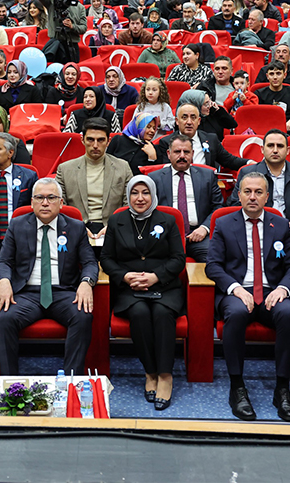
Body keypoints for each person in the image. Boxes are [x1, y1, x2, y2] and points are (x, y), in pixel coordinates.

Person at [206, 172, 290, 422]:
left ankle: (282, 388)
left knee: (289, 314)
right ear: (238, 194)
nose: (252, 197)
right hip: (237, 290)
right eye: (247, 191)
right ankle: (237, 386)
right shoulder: (225, 224)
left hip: (272, 291)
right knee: (236, 313)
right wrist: (235, 289)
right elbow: (213, 266)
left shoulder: (280, 225)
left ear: (267, 196)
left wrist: (283, 289)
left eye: (259, 192)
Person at [0, 177, 98, 374]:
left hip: (63, 292)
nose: (45, 203)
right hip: (27, 294)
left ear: (61, 202)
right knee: (5, 318)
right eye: (39, 198)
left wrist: (86, 282)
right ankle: (8, 382)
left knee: (82, 315)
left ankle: (71, 380)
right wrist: (5, 281)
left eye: (51, 197)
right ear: (31, 202)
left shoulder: (75, 227)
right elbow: (4, 261)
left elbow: (90, 263)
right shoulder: (17, 225)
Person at [100, 175, 185, 410]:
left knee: (161, 313)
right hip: (129, 286)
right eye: (135, 193)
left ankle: (165, 376)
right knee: (138, 313)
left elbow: (178, 258)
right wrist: (126, 277)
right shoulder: (117, 221)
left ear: (153, 194)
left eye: (145, 192)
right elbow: (106, 258)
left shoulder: (167, 220)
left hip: (164, 284)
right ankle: (150, 372)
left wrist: (155, 276)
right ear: (127, 195)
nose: (140, 198)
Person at [229, 129, 290, 257]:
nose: (275, 150)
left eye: (280, 146)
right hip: (256, 231)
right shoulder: (247, 173)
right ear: (262, 149)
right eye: (270, 146)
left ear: (287, 150)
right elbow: (235, 204)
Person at [148, 134, 223, 263]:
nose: (182, 156)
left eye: (186, 152)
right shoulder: (154, 178)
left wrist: (204, 228)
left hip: (198, 234)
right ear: (168, 153)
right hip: (165, 234)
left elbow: (218, 207)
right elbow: (149, 209)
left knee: (213, 261)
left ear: (192, 154)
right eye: (177, 151)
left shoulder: (207, 176)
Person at [56, 118, 133, 242]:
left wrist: (113, 226)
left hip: (113, 227)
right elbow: (59, 205)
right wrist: (76, 227)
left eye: (101, 140)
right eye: (90, 139)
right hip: (75, 228)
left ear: (108, 141)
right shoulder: (65, 169)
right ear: (82, 140)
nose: (95, 145)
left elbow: (129, 204)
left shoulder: (123, 167)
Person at [154, 102, 249, 172]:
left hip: (205, 186)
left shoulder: (211, 139)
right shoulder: (166, 142)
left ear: (199, 121)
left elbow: (229, 160)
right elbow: (164, 172)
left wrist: (249, 163)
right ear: (177, 121)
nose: (189, 122)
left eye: (193, 117)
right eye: (184, 117)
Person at [36, 0, 87, 64]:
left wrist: (72, 26)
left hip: (72, 46)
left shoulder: (80, 7)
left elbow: (83, 28)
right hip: (56, 45)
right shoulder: (52, 2)